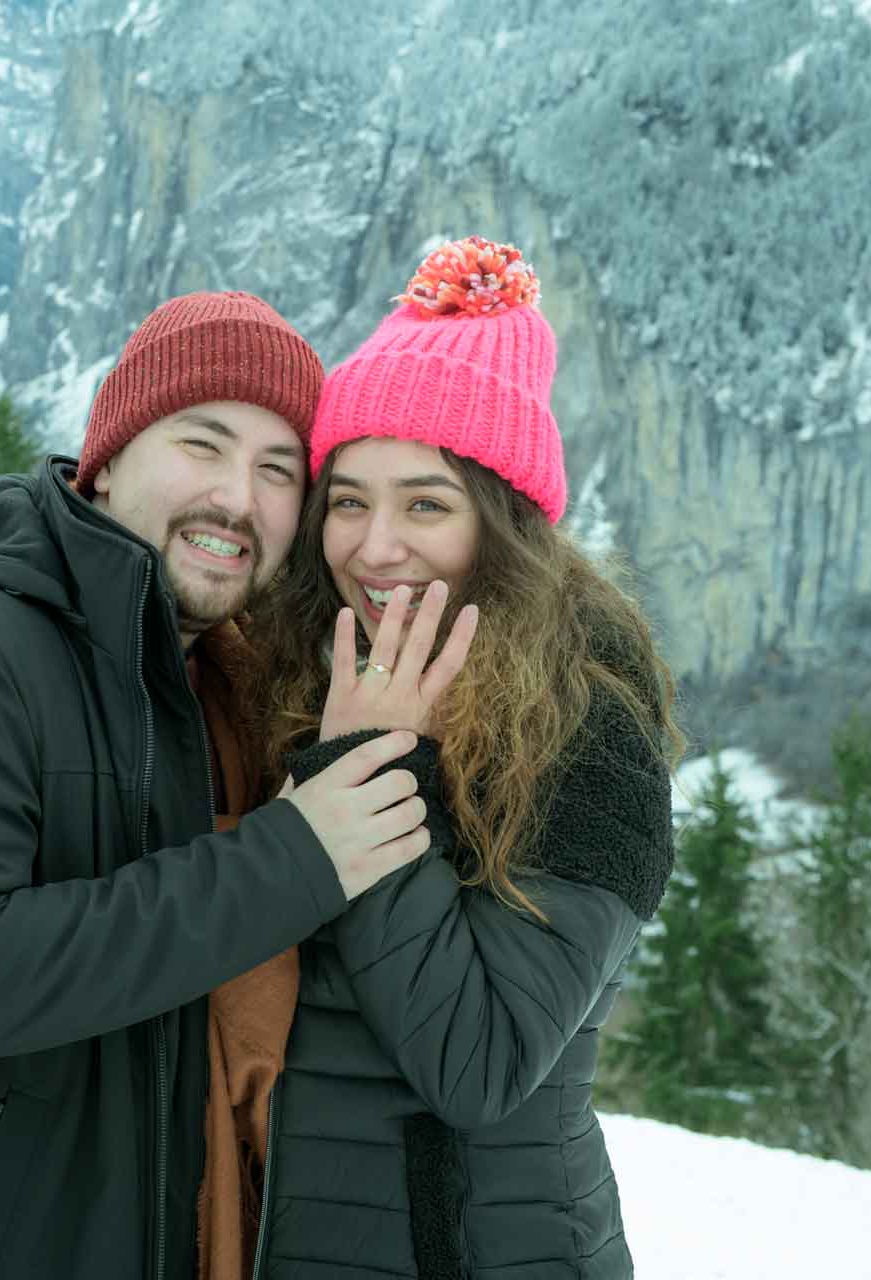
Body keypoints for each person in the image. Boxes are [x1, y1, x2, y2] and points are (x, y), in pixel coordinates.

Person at [0, 291, 457, 1280]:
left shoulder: (194, 678)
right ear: (107, 456)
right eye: (203, 443)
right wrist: (296, 854)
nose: (238, 499)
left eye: (278, 468)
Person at [245, 237, 686, 1279]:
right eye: (347, 498)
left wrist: (376, 764)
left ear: (502, 526)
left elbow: (479, 1061)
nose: (373, 544)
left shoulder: (591, 728)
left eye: (425, 503)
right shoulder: (295, 671)